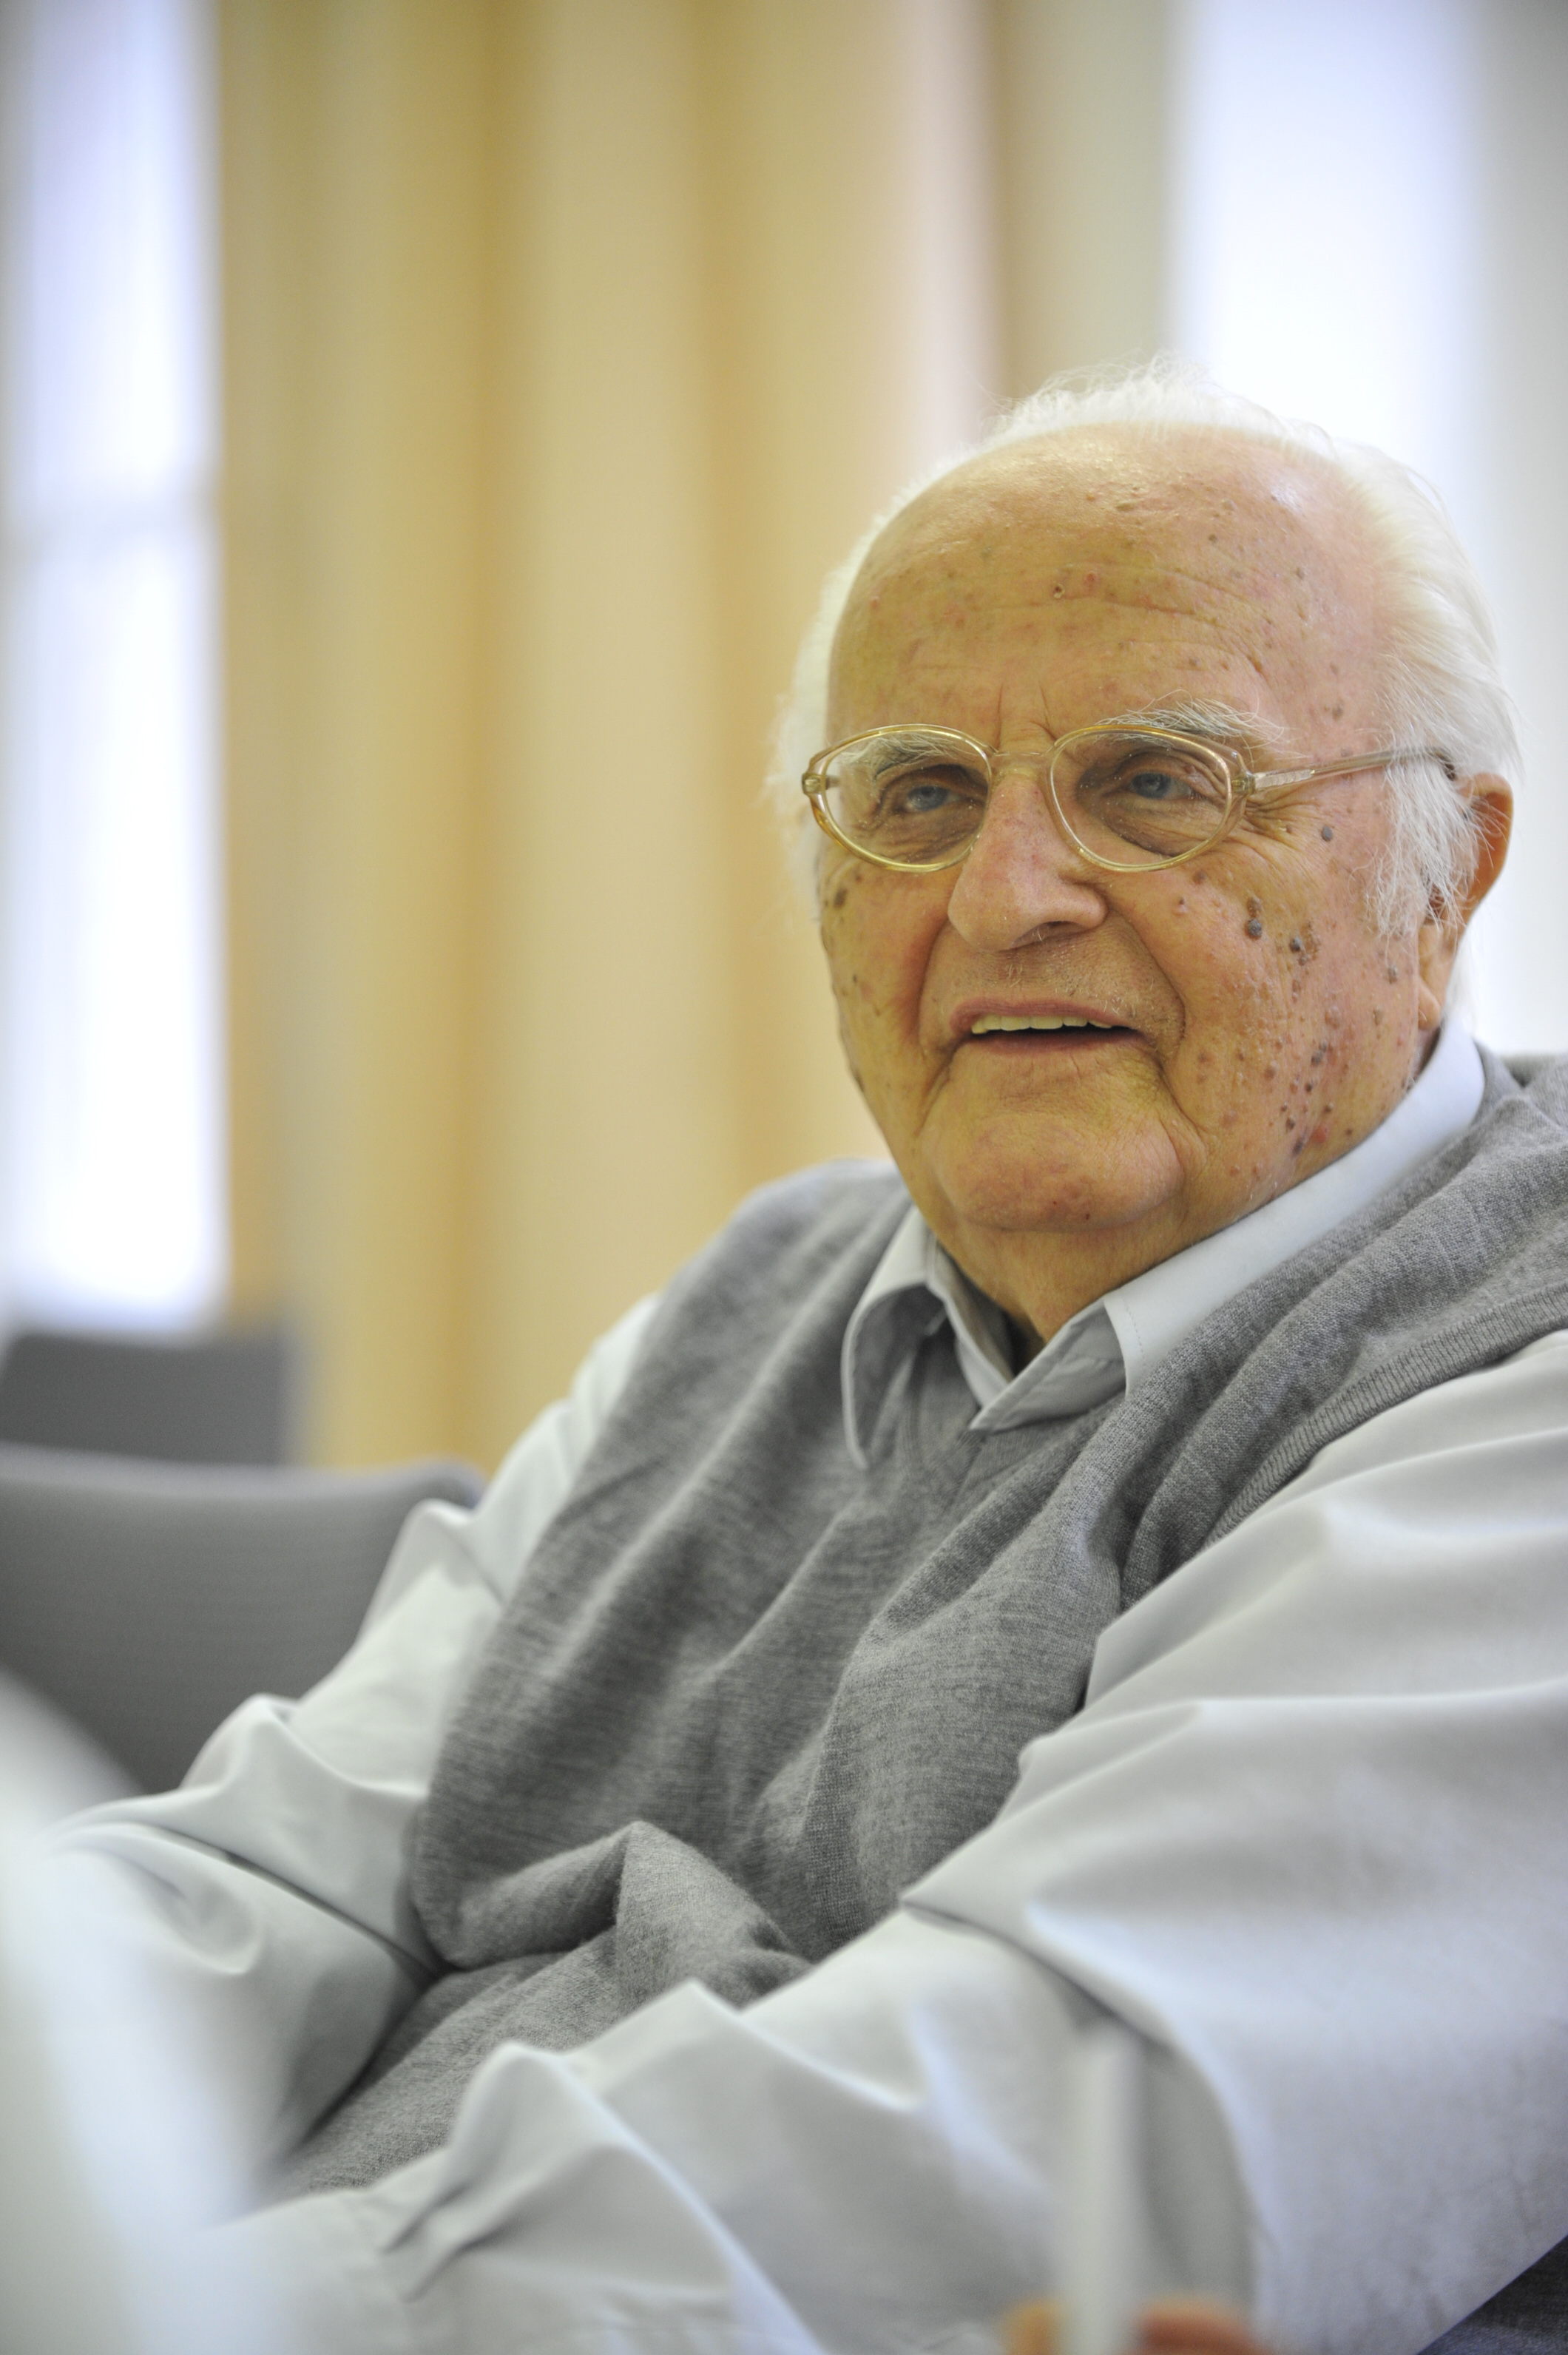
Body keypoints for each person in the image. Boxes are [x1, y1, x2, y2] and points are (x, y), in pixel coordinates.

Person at [44, 363, 1568, 2355]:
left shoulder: (1518, 1356)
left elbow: (1015, 2139)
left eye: (1157, 782)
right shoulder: (764, 1290)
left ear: (1446, 869)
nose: (1009, 897)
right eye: (920, 796)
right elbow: (297, 1873)